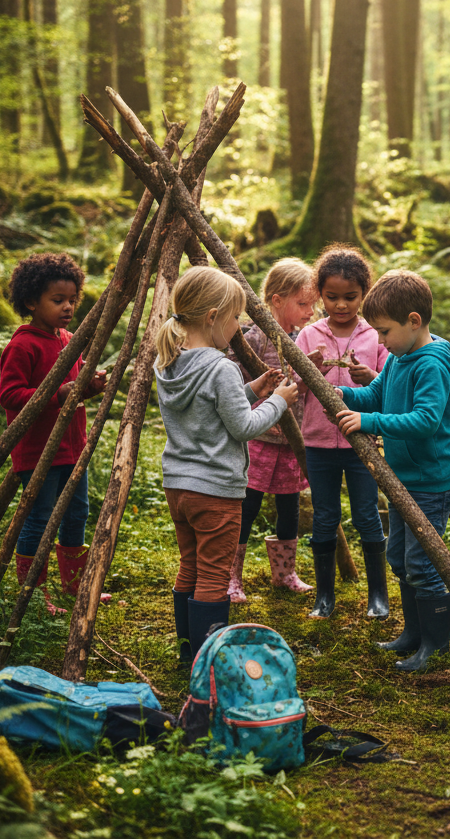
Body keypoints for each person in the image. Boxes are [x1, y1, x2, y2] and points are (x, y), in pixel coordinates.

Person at [155, 266, 297, 664]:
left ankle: (188, 654)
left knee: (190, 566)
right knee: (214, 576)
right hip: (215, 491)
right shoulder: (221, 368)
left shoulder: (168, 363)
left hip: (178, 486)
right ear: (214, 317)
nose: (239, 326)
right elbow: (243, 425)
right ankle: (207, 661)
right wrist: (280, 400)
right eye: (235, 317)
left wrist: (253, 389)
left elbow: (208, 409)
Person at [336, 269, 450, 672]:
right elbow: (375, 395)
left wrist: (370, 423)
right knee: (399, 557)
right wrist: (340, 394)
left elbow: (425, 419)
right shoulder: (399, 356)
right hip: (405, 480)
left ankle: (434, 647)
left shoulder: (431, 365)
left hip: (432, 482)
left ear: (414, 321)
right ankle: (413, 634)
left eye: (384, 330)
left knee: (423, 564)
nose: (379, 340)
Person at [0, 252, 108, 614]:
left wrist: (88, 387)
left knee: (77, 512)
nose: (67, 307)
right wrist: (54, 393)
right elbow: (11, 394)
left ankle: (73, 586)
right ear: (31, 301)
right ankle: (34, 596)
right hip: (38, 451)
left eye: (72, 300)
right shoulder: (23, 344)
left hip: (72, 447)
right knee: (39, 517)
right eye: (57, 300)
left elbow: (73, 388)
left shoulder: (69, 339)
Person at [297, 245, 388, 620]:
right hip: (318, 441)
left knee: (368, 514)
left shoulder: (376, 336)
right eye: (332, 297)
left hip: (361, 442)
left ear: (364, 294)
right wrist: (308, 371)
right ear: (319, 294)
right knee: (324, 516)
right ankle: (324, 597)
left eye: (350, 297)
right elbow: (294, 390)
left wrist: (371, 379)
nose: (341, 305)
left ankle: (378, 596)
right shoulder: (307, 335)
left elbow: (389, 389)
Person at [228, 258, 316, 602]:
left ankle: (285, 572)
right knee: (247, 505)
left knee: (289, 505)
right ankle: (231, 575)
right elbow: (233, 378)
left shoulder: (305, 339)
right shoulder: (254, 335)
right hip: (259, 435)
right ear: (277, 300)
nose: (310, 311)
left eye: (312, 304)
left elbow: (306, 388)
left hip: (292, 438)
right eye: (303, 304)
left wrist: (316, 368)